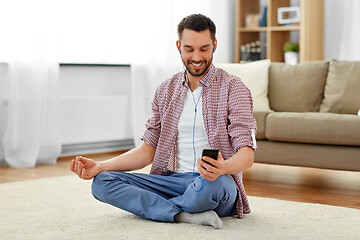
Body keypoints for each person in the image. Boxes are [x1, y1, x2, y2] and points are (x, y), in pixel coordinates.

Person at [70, 14, 257, 229]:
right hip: (170, 181)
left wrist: (224, 167)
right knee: (102, 183)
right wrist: (100, 166)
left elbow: (247, 155)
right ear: (178, 46)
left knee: (215, 187)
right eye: (189, 49)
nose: (196, 57)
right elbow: (147, 152)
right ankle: (184, 215)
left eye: (204, 49)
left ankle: (163, 210)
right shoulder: (165, 91)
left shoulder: (234, 88)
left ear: (214, 45)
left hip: (213, 183)